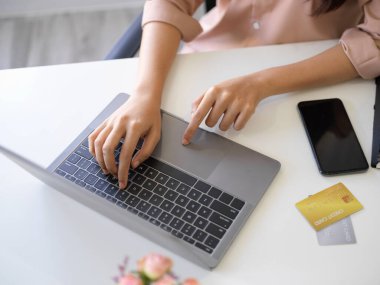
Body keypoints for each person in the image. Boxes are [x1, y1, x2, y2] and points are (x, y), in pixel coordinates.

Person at [88, 0, 380, 189]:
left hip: (307, 79)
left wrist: (261, 83)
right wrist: (144, 94)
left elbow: (375, 40)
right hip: (203, 63)